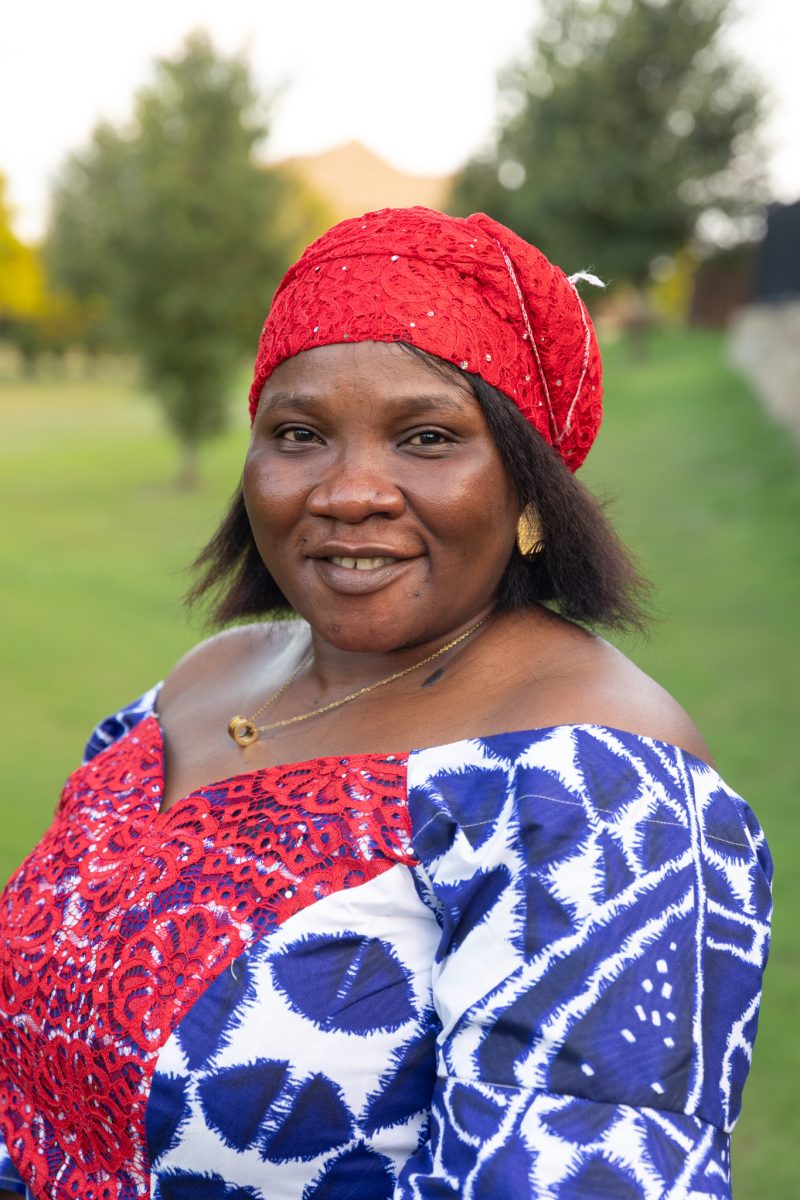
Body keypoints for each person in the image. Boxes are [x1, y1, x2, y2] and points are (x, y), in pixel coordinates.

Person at [0, 206, 772, 1200]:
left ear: (528, 486)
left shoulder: (597, 790)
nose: (349, 491)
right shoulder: (200, 684)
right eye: (299, 434)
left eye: (425, 437)